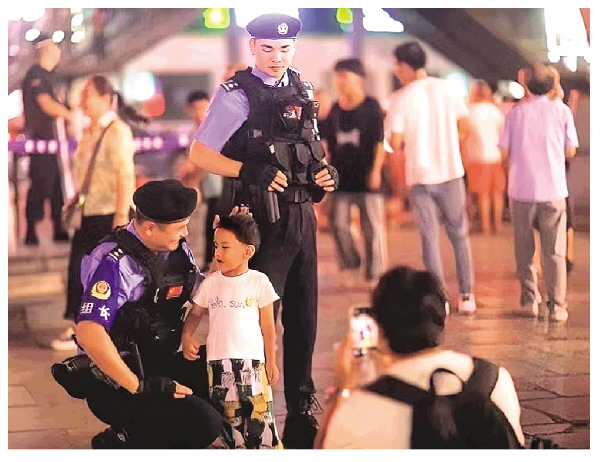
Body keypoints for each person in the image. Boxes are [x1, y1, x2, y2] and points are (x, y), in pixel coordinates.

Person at [188, 13, 338, 448]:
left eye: (285, 49)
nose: (277, 57)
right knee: (254, 318)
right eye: (268, 48)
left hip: (302, 216)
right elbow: (200, 153)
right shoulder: (236, 94)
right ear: (252, 47)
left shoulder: (302, 89)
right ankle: (251, 406)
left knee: (304, 315)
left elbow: (309, 151)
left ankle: (302, 405)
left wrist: (324, 176)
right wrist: (247, 169)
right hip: (259, 222)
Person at [72, 179, 224, 448]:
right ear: (150, 227)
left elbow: (200, 294)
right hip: (117, 378)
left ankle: (139, 429)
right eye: (180, 227)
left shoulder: (175, 248)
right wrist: (140, 387)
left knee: (226, 373)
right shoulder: (113, 262)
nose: (186, 232)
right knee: (203, 424)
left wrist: (227, 248)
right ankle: (126, 438)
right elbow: (88, 332)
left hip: (158, 359)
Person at [318, 266, 525, 449]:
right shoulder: (495, 380)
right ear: (443, 313)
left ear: (379, 327)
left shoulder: (359, 408)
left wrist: (343, 389)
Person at [387, 41, 476, 314]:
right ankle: (467, 296)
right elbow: (466, 127)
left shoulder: (400, 98)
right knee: (459, 234)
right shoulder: (447, 88)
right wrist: (447, 144)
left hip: (420, 176)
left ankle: (440, 299)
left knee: (429, 238)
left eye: (397, 66)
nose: (396, 71)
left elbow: (395, 142)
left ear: (405, 66)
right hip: (451, 171)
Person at [51, 76, 139, 351]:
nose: (82, 101)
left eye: (87, 95)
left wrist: (121, 216)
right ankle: (81, 325)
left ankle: (92, 329)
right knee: (80, 270)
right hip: (89, 213)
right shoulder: (90, 131)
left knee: (102, 272)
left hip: (109, 213)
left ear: (105, 98)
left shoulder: (117, 130)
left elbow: (125, 175)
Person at [182, 213, 282, 449]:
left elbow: (268, 326)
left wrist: (271, 361)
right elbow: (195, 314)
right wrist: (187, 337)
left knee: (259, 417)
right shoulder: (211, 283)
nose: (218, 253)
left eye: (225, 247)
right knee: (227, 419)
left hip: (253, 363)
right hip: (218, 364)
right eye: (216, 246)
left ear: (248, 252)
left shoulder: (259, 281)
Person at [499, 64, 578, 322]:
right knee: (554, 251)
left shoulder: (515, 113)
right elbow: (570, 150)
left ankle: (529, 300)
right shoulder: (562, 111)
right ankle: (557, 306)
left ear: (527, 85)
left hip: (521, 189)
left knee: (524, 249)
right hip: (553, 188)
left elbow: (504, 152)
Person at [322, 58, 387, 285]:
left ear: (358, 78)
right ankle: (350, 264)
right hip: (341, 177)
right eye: (337, 77)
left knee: (372, 227)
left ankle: (375, 272)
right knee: (338, 224)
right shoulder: (336, 109)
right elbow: (325, 140)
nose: (339, 82)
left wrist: (376, 171)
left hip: (367, 176)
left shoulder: (371, 106)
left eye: (344, 77)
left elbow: (380, 142)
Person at [21, 38, 72, 245]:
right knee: (40, 184)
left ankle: (58, 227)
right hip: (41, 140)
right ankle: (31, 230)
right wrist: (70, 116)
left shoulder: (54, 78)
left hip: (57, 142)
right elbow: (46, 103)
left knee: (57, 186)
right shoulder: (36, 75)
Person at [462, 80, 506, 234]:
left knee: (483, 194)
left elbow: (464, 134)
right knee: (497, 193)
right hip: (495, 156)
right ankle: (498, 225)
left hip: (477, 157)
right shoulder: (495, 111)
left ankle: (485, 226)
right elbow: (501, 133)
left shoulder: (469, 111)